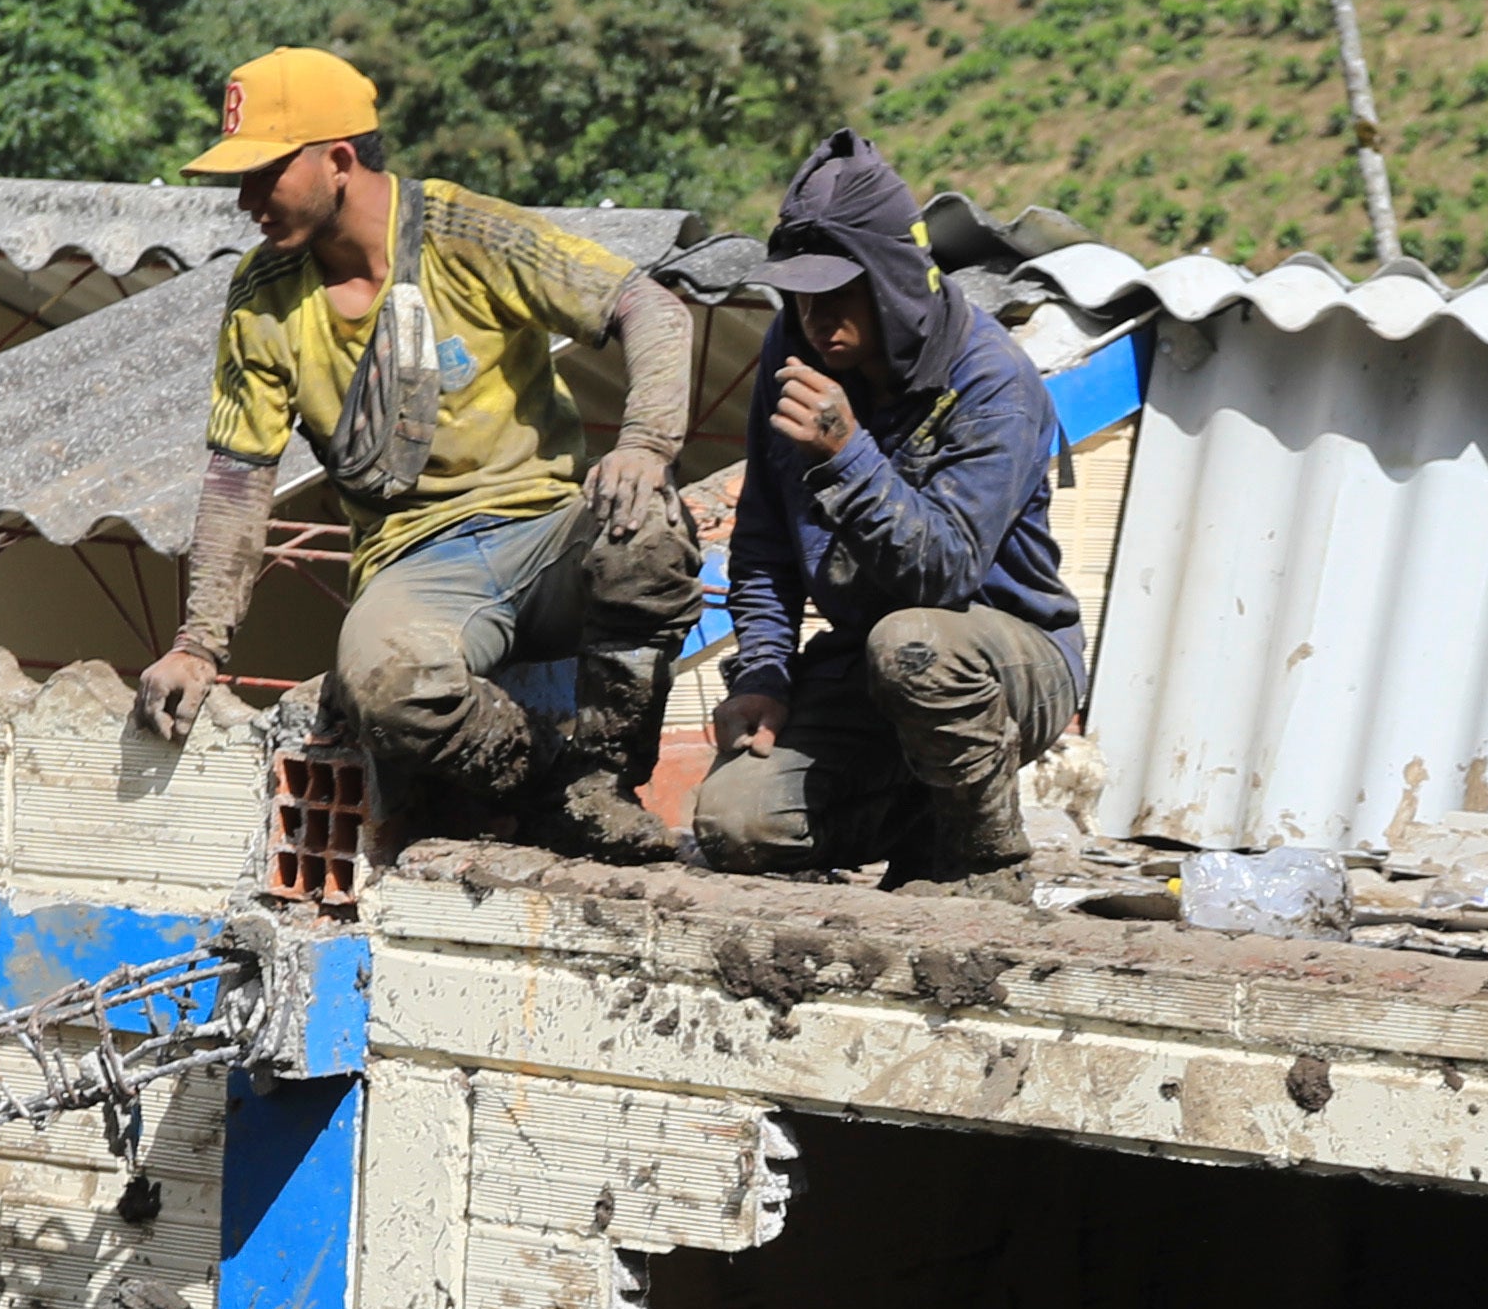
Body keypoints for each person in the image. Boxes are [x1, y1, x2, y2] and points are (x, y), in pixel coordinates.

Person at [128, 48, 701, 861]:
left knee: (648, 535)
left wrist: (644, 445)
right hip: (416, 563)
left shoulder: (468, 232)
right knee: (386, 690)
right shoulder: (263, 299)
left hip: (546, 533)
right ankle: (542, 781)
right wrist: (198, 646)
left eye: (264, 174)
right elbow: (237, 481)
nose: (247, 201)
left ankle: (602, 782)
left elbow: (653, 307)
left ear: (337, 160)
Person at [692, 133, 1082, 885]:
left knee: (914, 644)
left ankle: (981, 861)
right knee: (735, 824)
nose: (814, 315)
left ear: (895, 278)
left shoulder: (992, 380)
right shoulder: (793, 348)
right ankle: (924, 818)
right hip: (867, 662)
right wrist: (764, 676)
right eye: (800, 292)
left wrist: (848, 454)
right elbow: (766, 542)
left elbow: (943, 576)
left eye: (840, 291)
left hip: (1004, 659)